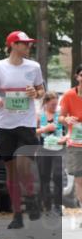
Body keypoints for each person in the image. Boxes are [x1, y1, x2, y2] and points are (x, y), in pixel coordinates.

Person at [0, 31, 45, 229]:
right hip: (5, 126)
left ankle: (32, 197)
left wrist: (36, 92)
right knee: (11, 172)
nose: (28, 47)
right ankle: (17, 214)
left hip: (25, 126)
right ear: (13, 45)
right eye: (25, 44)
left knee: (23, 167)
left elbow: (41, 90)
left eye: (29, 44)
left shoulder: (34, 67)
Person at [35, 91, 65, 217]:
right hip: (43, 149)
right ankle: (46, 204)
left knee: (58, 175)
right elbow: (32, 132)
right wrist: (45, 129)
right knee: (44, 176)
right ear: (46, 103)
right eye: (52, 104)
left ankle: (57, 205)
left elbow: (69, 130)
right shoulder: (39, 115)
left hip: (58, 149)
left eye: (56, 104)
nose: (54, 106)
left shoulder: (61, 116)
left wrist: (65, 138)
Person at [59, 65, 82, 216]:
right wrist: (66, 119)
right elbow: (60, 117)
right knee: (80, 180)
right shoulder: (68, 95)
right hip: (76, 143)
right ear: (77, 77)